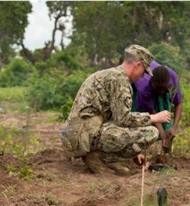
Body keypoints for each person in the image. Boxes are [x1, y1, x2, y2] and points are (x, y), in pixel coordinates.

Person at [61, 45, 171, 174]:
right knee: (151, 132)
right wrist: (154, 117)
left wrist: (134, 153)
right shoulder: (120, 81)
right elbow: (123, 119)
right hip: (84, 135)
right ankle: (99, 158)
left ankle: (105, 159)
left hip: (79, 134)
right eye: (143, 71)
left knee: (132, 130)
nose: (142, 77)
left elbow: (114, 117)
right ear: (137, 65)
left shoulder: (109, 74)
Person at [133, 61, 183, 164]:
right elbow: (152, 113)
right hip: (139, 87)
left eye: (163, 89)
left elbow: (178, 104)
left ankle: (164, 150)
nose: (160, 92)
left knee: (165, 115)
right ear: (152, 83)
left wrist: (174, 128)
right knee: (138, 117)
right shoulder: (144, 87)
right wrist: (162, 133)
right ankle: (135, 150)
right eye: (158, 89)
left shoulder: (173, 80)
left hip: (160, 84)